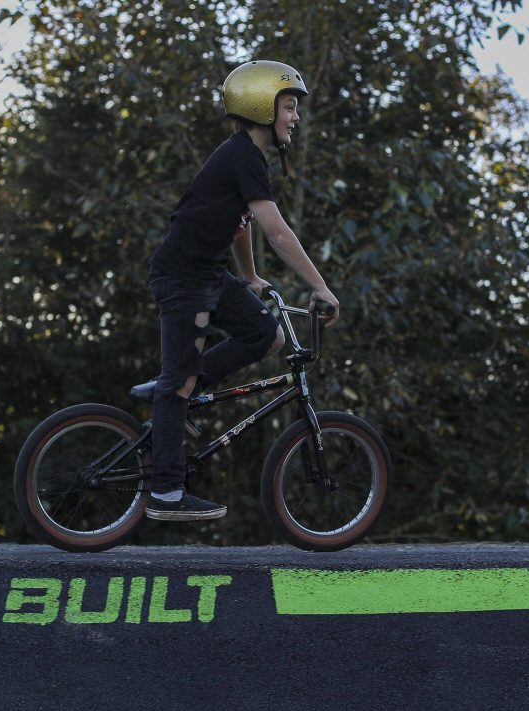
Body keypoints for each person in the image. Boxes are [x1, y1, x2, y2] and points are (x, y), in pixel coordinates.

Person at [144, 59, 340, 522]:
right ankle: (166, 493)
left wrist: (250, 277)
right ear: (260, 107)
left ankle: (176, 387)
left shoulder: (245, 157)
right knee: (181, 381)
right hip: (183, 276)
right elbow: (277, 232)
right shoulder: (244, 155)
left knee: (265, 335)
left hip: (210, 273)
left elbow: (241, 224)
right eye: (289, 107)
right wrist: (321, 287)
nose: (295, 117)